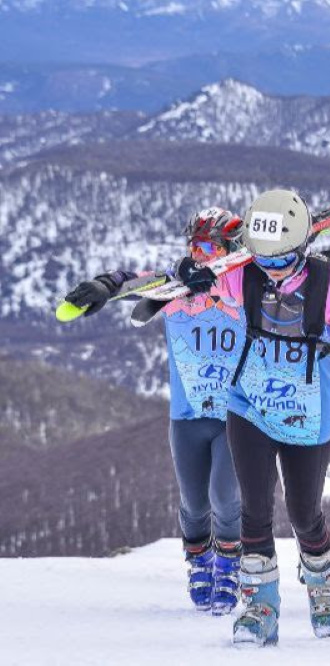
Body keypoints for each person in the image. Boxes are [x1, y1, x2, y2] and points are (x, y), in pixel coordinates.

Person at [176, 189, 330, 647]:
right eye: (263, 258)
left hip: (310, 411)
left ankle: (323, 583)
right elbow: (204, 278)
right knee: (254, 509)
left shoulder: (329, 282)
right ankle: (260, 605)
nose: (272, 269)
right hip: (251, 405)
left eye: (282, 259)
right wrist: (191, 276)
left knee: (305, 513)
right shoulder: (242, 274)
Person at [63, 207, 244, 615]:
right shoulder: (178, 286)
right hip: (188, 415)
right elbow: (134, 282)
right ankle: (200, 563)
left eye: (210, 247)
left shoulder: (247, 288)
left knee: (225, 495)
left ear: (231, 249)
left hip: (235, 414)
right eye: (195, 246)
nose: (201, 256)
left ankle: (229, 565)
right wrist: (103, 286)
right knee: (195, 502)